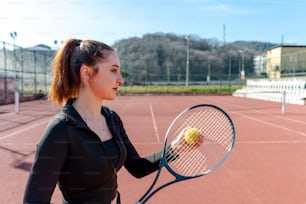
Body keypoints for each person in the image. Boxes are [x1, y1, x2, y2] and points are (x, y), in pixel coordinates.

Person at [23, 38, 177, 204]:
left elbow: (137, 167)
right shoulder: (61, 129)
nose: (120, 79)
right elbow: (34, 201)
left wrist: (175, 148)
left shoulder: (112, 120)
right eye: (113, 70)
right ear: (87, 73)